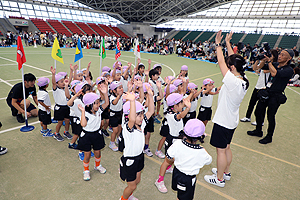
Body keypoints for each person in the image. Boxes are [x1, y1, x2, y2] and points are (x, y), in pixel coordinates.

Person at [204, 31, 249, 187]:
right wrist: (228, 44)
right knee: (227, 147)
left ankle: (219, 179)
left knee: (220, 151)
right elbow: (232, 61)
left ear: (232, 68)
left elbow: (222, 62)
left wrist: (218, 44)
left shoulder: (232, 82)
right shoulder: (243, 79)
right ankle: (226, 172)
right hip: (232, 120)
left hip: (223, 121)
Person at [247, 49, 294, 144]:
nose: (280, 56)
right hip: (267, 91)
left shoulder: (289, 70)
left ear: (289, 58)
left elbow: (274, 73)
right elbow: (257, 68)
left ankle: (269, 136)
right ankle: (258, 130)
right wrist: (261, 60)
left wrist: (269, 62)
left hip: (276, 95)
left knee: (270, 116)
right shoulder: (275, 64)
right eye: (280, 54)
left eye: (283, 55)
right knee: (258, 111)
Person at [119, 88, 154, 200]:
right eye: (139, 115)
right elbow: (132, 118)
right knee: (132, 185)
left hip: (139, 156)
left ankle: (129, 196)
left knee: (137, 180)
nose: (142, 117)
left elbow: (151, 111)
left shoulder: (141, 124)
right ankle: (123, 199)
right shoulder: (127, 128)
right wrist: (133, 101)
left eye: (142, 115)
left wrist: (150, 95)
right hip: (130, 160)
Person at [155, 93, 192, 193]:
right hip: (172, 140)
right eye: (181, 103)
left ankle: (169, 168)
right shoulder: (172, 115)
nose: (183, 105)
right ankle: (159, 181)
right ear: (175, 106)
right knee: (167, 161)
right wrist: (188, 108)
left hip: (178, 139)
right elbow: (181, 115)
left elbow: (183, 105)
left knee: (174, 158)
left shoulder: (173, 109)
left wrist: (187, 101)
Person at [167, 119, 212, 200]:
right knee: (185, 197)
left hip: (177, 173)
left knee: (179, 193)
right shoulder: (201, 151)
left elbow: (169, 156)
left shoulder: (177, 143)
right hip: (188, 179)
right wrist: (203, 148)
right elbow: (209, 160)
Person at [77, 87, 109, 181]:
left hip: (97, 134)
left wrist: (105, 93)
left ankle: (97, 165)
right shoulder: (85, 114)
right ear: (88, 105)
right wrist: (82, 112)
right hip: (87, 136)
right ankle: (86, 170)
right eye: (96, 103)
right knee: (87, 155)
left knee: (98, 152)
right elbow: (83, 124)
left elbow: (106, 103)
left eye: (98, 102)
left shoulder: (98, 111)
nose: (98, 105)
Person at [240, 50, 278, 124]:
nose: (269, 56)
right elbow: (255, 68)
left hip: (265, 87)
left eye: (271, 55)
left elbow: (266, 70)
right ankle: (248, 117)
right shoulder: (266, 63)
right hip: (258, 85)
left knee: (261, 106)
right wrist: (258, 60)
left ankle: (260, 121)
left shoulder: (274, 65)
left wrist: (267, 61)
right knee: (251, 103)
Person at [50, 66, 72, 141]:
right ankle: (56, 133)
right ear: (56, 83)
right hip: (59, 108)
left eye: (64, 81)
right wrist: (53, 74)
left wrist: (71, 71)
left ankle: (66, 132)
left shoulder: (66, 88)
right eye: (61, 81)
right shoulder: (56, 89)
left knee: (67, 121)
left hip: (66, 107)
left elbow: (70, 80)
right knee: (59, 122)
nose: (63, 83)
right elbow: (53, 82)